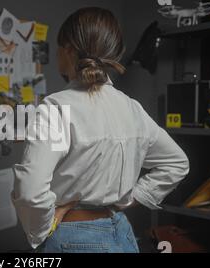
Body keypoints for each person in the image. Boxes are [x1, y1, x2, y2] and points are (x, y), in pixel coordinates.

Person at [11, 7, 189, 253]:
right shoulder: (132, 108)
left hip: (73, 239)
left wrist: (44, 229)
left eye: (59, 48)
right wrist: (130, 197)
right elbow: (177, 162)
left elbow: (30, 192)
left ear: (69, 50)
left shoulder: (55, 107)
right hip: (123, 235)